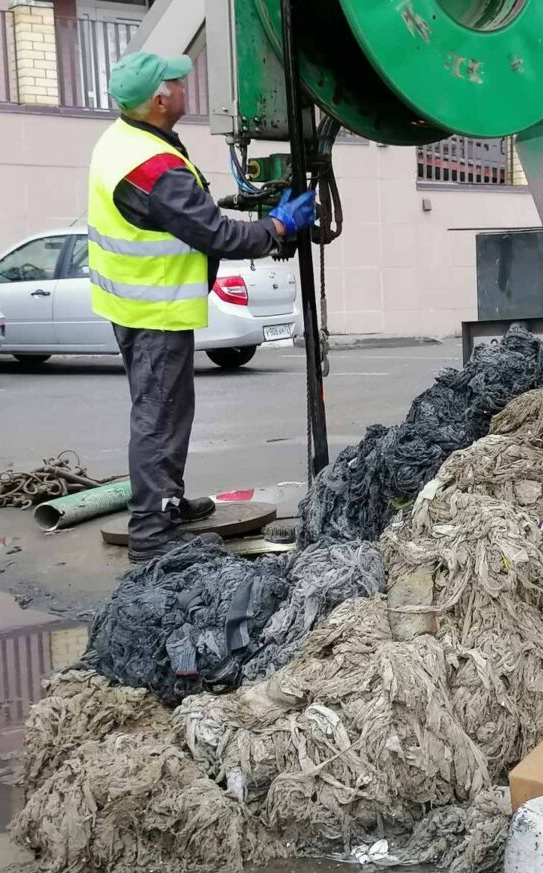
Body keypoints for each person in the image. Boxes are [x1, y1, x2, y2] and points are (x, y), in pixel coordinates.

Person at [89, 51, 316, 563]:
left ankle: (166, 502)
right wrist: (277, 227)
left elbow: (191, 216)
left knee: (164, 411)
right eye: (178, 83)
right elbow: (213, 232)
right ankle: (152, 532)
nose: (186, 89)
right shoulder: (152, 165)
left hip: (132, 303)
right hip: (155, 309)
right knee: (160, 416)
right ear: (160, 98)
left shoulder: (126, 139)